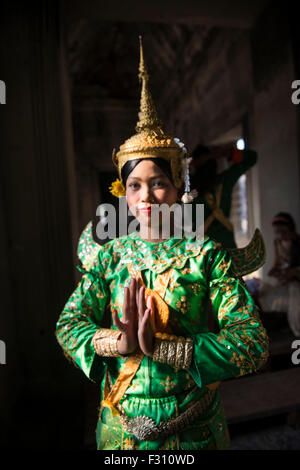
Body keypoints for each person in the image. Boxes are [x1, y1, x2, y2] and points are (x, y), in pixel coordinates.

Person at [55, 39, 269, 450]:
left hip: (196, 431)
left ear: (178, 188)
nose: (146, 198)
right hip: (122, 434)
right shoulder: (110, 257)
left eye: (158, 184)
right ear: (122, 192)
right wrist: (119, 342)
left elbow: (252, 344)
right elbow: (68, 327)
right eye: (134, 186)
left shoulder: (205, 256)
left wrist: (168, 349)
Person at [190, 142, 257, 249]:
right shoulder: (225, 181)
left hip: (200, 247)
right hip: (225, 244)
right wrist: (226, 153)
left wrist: (191, 161)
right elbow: (252, 157)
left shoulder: (187, 190)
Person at [258, 212, 300, 337]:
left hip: (295, 279)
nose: (280, 235)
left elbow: (294, 268)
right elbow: (277, 263)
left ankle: (295, 331)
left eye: (283, 232)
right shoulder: (277, 242)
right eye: (277, 232)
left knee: (294, 302)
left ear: (290, 229)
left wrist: (290, 274)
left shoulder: (297, 242)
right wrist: (274, 271)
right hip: (284, 278)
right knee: (263, 292)